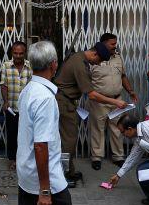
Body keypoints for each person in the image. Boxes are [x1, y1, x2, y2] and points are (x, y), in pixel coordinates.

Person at [10, 40, 77, 205]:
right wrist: (46, 189)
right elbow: (41, 145)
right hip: (44, 178)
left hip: (27, 174)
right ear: (53, 65)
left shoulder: (28, 90)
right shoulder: (46, 98)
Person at [55, 43, 128, 187]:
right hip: (64, 103)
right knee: (68, 141)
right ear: (94, 54)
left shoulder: (79, 58)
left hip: (66, 101)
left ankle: (69, 171)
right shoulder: (80, 64)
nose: (99, 64)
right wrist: (115, 102)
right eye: (100, 61)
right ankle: (62, 176)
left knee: (67, 139)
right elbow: (92, 95)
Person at [88, 33, 138, 171]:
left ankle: (118, 156)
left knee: (118, 128)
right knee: (98, 129)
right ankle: (97, 157)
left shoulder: (118, 57)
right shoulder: (93, 59)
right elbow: (85, 81)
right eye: (112, 44)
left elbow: (123, 76)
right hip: (99, 101)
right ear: (103, 44)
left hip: (117, 100)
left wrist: (131, 91)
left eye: (115, 43)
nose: (115, 46)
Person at [0, 41, 32, 170]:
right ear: (11, 52)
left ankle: (26, 159)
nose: (18, 56)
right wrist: (5, 101)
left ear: (25, 53)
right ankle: (13, 159)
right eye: (15, 53)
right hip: (12, 108)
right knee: (12, 134)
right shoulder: (6, 66)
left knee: (26, 135)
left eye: (21, 53)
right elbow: (3, 85)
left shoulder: (30, 66)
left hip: (27, 108)